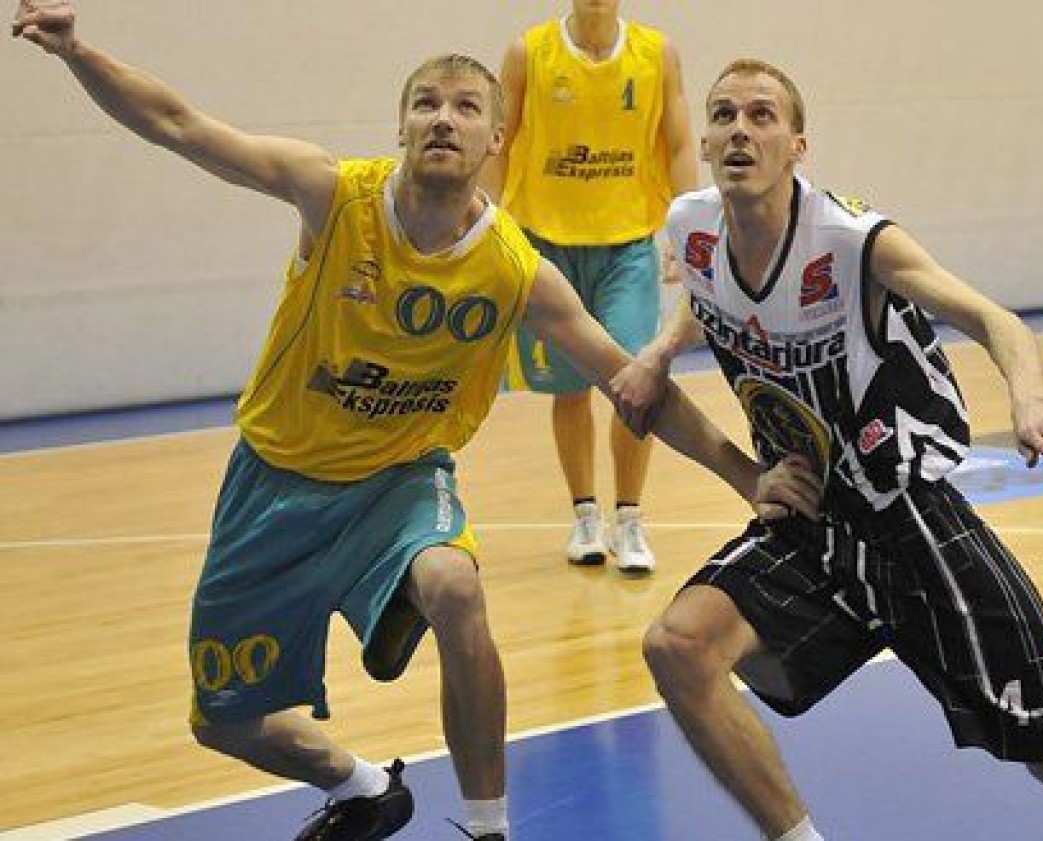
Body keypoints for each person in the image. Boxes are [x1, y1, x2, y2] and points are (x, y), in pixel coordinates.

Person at [11, 6, 794, 839]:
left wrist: (748, 476)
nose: (443, 118)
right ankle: (362, 787)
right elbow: (178, 124)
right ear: (401, 127)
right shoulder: (333, 193)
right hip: (274, 485)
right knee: (226, 722)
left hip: (400, 482)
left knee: (456, 586)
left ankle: (489, 827)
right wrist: (76, 52)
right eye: (427, 103)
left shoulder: (513, 269)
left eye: (465, 107)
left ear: (498, 138)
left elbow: (635, 387)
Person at [615, 59, 1043, 841]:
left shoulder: (851, 240)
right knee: (678, 645)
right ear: (704, 140)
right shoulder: (690, 226)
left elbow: (995, 319)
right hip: (812, 519)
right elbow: (706, 293)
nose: (741, 129)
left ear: (797, 146)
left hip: (910, 519)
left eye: (762, 115)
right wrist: (658, 351)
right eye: (724, 114)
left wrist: (1031, 400)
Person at [483, 0, 698, 574]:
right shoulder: (529, 52)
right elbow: (498, 144)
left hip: (626, 246)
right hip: (547, 242)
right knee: (571, 388)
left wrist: (687, 231)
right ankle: (584, 516)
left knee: (635, 381)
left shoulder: (656, 54)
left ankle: (629, 518)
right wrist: (485, 223)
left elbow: (680, 144)